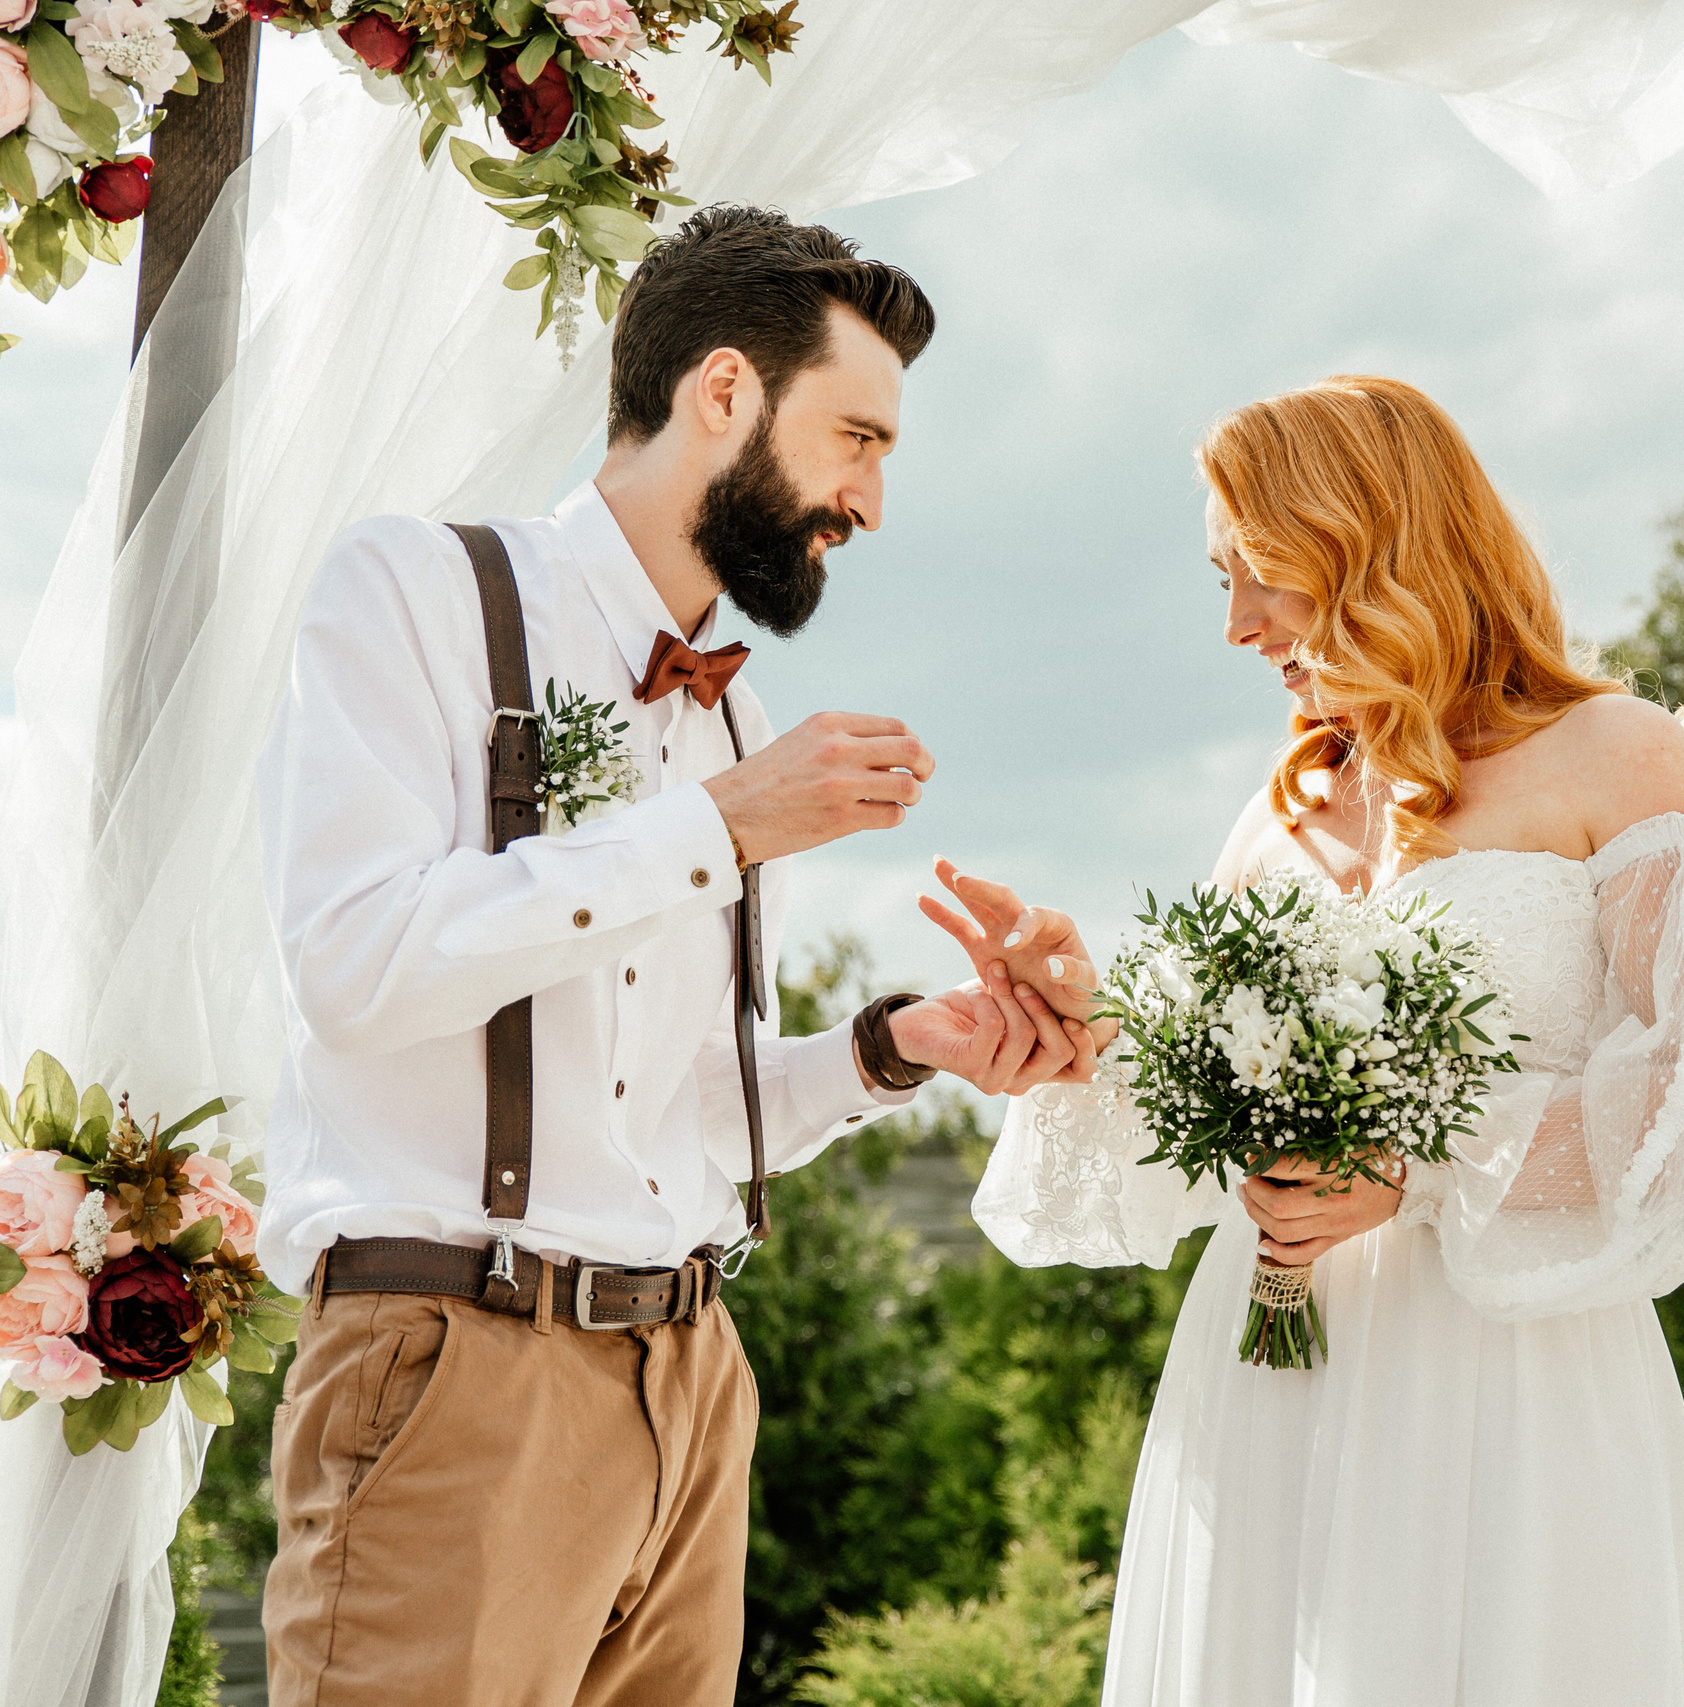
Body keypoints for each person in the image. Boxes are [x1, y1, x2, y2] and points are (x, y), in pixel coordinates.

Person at [252, 206, 1096, 1707]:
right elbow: (355, 967)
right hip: (460, 1363)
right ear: (723, 394)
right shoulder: (419, 591)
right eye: (857, 438)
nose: (871, 502)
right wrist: (710, 828)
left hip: (692, 1382)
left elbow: (683, 1111)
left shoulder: (733, 720)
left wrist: (898, 1048)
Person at [929, 376, 1684, 1705]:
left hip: (1512, 1386)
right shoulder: (1279, 814)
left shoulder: (1611, 755)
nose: (1234, 627)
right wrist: (1089, 1027)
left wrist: (1420, 1171)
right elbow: (1202, 1125)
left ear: (1365, 536)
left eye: (1255, 572)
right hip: (1269, 1383)